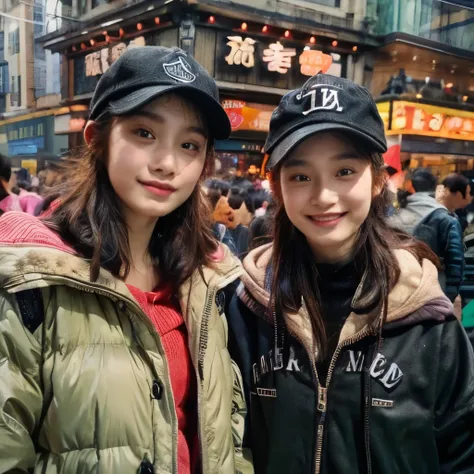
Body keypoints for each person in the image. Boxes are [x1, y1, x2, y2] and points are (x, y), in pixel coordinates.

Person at [0, 46, 252, 474]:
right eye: (144, 133)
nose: (168, 163)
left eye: (189, 144)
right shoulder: (32, 281)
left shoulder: (208, 282)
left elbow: (227, 430)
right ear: (97, 139)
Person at [227, 74, 474, 474]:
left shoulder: (426, 316)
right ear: (278, 187)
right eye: (301, 176)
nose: (323, 196)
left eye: (344, 171)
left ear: (377, 179)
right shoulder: (246, 306)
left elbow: (462, 449)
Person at [389, 168, 464, 302]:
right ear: (435, 188)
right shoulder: (447, 219)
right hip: (435, 296)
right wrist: (449, 298)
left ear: (411, 186)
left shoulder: (392, 217)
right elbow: (455, 265)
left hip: (395, 296)